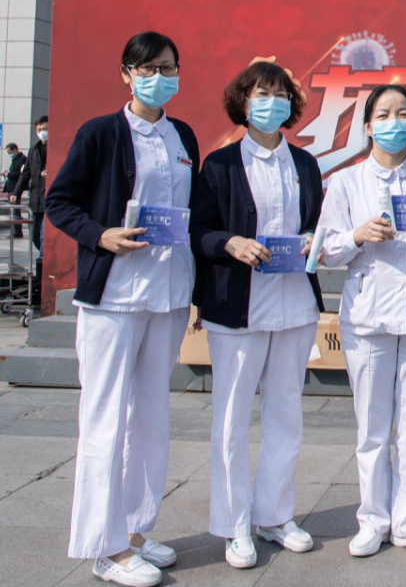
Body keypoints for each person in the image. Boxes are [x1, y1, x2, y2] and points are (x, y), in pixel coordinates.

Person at [45, 32, 199, 587]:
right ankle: (103, 545)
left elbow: (191, 210)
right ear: (126, 74)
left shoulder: (183, 136)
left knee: (151, 417)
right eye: (148, 68)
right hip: (114, 297)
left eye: (168, 67)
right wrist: (100, 235)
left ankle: (135, 531)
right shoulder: (101, 133)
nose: (159, 77)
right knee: (105, 418)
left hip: (168, 295)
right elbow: (58, 202)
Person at [190, 61, 325, 569]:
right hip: (237, 308)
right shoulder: (220, 165)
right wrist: (230, 242)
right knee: (231, 418)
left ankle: (275, 515)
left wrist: (312, 239)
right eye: (262, 93)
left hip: (294, 304)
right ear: (243, 103)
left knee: (286, 414)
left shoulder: (305, 163)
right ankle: (233, 524)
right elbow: (197, 230)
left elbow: (317, 223)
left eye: (281, 94)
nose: (273, 102)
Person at [317, 84, 406, 559]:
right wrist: (357, 235)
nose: (394, 123)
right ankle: (373, 519)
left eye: (403, 114)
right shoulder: (346, 182)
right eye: (384, 114)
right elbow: (327, 250)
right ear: (368, 126)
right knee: (373, 427)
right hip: (368, 315)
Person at [15, 116, 49, 253]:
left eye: (45, 129)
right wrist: (16, 192)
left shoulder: (56, 149)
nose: (42, 132)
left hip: (49, 199)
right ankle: (43, 256)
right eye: (39, 129)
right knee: (35, 237)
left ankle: (42, 261)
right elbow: (25, 174)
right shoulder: (33, 150)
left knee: (44, 237)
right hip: (35, 200)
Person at [5, 143, 27, 238]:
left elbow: (21, 173)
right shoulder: (15, 159)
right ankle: (15, 230)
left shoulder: (22, 159)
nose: (9, 154)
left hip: (15, 188)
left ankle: (17, 231)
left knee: (15, 210)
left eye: (9, 152)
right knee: (13, 210)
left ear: (15, 149)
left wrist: (9, 174)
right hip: (11, 187)